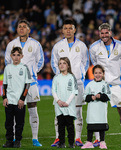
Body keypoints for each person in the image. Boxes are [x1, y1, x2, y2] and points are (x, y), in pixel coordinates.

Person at [89, 23, 121, 147]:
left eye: (106, 33)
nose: (104, 35)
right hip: (102, 85)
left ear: (110, 33)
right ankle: (97, 139)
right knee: (98, 113)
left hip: (116, 84)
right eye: (102, 33)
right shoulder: (94, 47)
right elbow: (95, 67)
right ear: (99, 34)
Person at [5, 19, 44, 147]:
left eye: (24, 27)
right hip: (15, 84)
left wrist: (32, 72)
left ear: (29, 29)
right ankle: (15, 139)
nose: (21, 28)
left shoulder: (36, 44)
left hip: (31, 82)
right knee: (16, 111)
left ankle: (35, 138)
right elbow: (7, 61)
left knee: (33, 109)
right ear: (17, 29)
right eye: (19, 27)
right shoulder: (11, 44)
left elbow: (40, 61)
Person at [51, 19, 89, 147]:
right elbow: (54, 63)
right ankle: (58, 138)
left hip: (77, 82)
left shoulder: (82, 46)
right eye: (65, 28)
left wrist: (80, 76)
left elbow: (85, 62)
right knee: (59, 111)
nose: (68, 30)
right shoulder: (57, 46)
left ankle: (78, 138)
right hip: (61, 83)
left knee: (78, 111)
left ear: (74, 30)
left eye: (70, 28)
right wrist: (61, 76)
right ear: (62, 30)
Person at [2, 47, 32, 148]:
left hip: (20, 101)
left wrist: (22, 99)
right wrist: (5, 98)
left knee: (19, 123)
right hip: (9, 101)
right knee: (8, 123)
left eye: (18, 55)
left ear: (22, 56)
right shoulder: (7, 68)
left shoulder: (24, 67)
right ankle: (9, 141)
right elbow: (4, 85)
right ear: (11, 56)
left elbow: (27, 84)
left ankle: (18, 141)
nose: (16, 57)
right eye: (14, 55)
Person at [81, 65, 110, 149]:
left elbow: (108, 96)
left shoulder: (105, 84)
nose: (98, 75)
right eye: (96, 73)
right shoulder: (90, 84)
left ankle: (102, 142)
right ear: (93, 74)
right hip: (92, 110)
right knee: (90, 126)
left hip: (101, 110)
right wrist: (91, 97)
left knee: (101, 126)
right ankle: (89, 142)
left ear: (103, 74)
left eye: (100, 73)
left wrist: (100, 96)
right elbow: (85, 96)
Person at [52, 57, 78, 148]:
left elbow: (74, 91)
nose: (62, 65)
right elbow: (53, 90)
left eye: (64, 63)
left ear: (68, 65)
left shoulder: (72, 77)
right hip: (59, 106)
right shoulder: (56, 77)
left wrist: (67, 102)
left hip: (69, 105)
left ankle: (71, 143)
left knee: (70, 126)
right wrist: (58, 101)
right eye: (60, 63)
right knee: (61, 126)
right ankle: (61, 143)